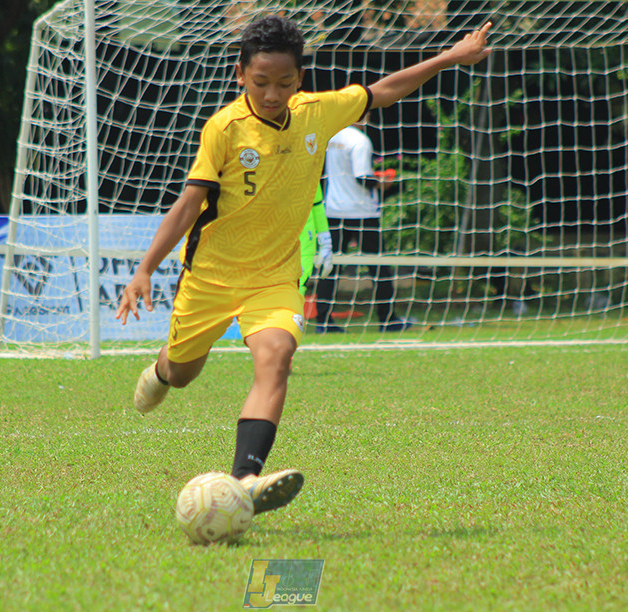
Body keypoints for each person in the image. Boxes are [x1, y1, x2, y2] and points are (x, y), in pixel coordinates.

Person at [116, 15, 492, 516]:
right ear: (240, 75)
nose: (273, 94)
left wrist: (450, 56)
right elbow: (188, 205)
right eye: (261, 82)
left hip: (274, 278)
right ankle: (162, 369)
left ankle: (245, 478)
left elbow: (384, 91)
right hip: (209, 279)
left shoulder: (317, 113)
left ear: (301, 80)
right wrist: (144, 269)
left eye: (285, 83)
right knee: (183, 373)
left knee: (277, 357)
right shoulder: (224, 129)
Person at [315, 113, 413, 333]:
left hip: (334, 210)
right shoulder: (360, 141)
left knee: (330, 266)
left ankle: (323, 322)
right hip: (361, 213)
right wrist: (384, 183)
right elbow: (362, 179)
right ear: (363, 115)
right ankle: (388, 320)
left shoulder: (332, 137)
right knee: (379, 268)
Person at [299, 184, 332, 297]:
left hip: (302, 244)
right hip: (262, 242)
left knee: (296, 292)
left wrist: (326, 242)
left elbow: (317, 204)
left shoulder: (306, 167)